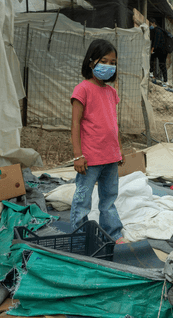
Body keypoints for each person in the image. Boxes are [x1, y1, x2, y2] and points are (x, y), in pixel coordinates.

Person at [70, 39, 125, 243]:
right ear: (92, 62)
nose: (109, 66)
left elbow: (114, 123)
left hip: (110, 156)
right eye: (104, 61)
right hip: (90, 158)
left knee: (109, 199)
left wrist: (119, 150)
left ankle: (114, 233)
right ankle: (80, 234)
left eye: (113, 62)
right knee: (83, 199)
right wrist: (78, 155)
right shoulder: (82, 89)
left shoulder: (111, 92)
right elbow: (75, 124)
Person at [149, 18, 169, 84]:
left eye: (150, 24)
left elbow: (156, 42)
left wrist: (152, 49)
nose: (150, 25)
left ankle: (151, 73)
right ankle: (165, 80)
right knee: (161, 64)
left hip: (161, 51)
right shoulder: (160, 30)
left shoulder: (157, 30)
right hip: (162, 51)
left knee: (159, 62)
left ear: (154, 23)